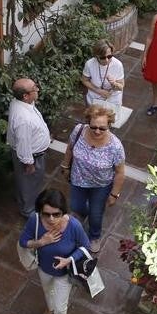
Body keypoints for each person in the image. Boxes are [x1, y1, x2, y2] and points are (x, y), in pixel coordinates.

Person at [18, 189, 91, 314]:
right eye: (46, 214)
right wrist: (41, 242)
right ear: (40, 212)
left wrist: (69, 260)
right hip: (43, 268)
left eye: (56, 214)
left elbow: (85, 246)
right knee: (47, 291)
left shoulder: (74, 226)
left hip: (64, 274)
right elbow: (23, 241)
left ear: (63, 211)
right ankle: (49, 308)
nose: (51, 219)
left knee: (61, 308)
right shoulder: (35, 220)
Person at [60, 105, 126, 252]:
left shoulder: (115, 147)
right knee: (76, 207)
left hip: (101, 186)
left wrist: (114, 194)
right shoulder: (78, 131)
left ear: (109, 125)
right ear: (88, 122)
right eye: (93, 127)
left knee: (95, 216)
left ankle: (94, 236)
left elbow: (120, 172)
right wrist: (65, 166)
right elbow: (70, 148)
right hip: (78, 180)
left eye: (102, 128)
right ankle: (85, 212)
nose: (97, 131)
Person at [7, 78, 51, 219]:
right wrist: (29, 163)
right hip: (32, 157)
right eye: (34, 88)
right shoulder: (23, 120)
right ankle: (28, 210)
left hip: (32, 154)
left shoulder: (20, 102)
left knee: (25, 181)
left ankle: (23, 199)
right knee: (29, 183)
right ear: (25, 96)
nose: (37, 89)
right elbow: (23, 143)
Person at [80, 40, 124, 115]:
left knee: (110, 120)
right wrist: (99, 91)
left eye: (109, 56)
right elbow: (84, 80)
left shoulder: (118, 65)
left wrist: (114, 83)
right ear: (96, 56)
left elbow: (121, 87)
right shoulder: (90, 64)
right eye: (103, 57)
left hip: (113, 100)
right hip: (94, 99)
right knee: (94, 120)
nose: (106, 60)